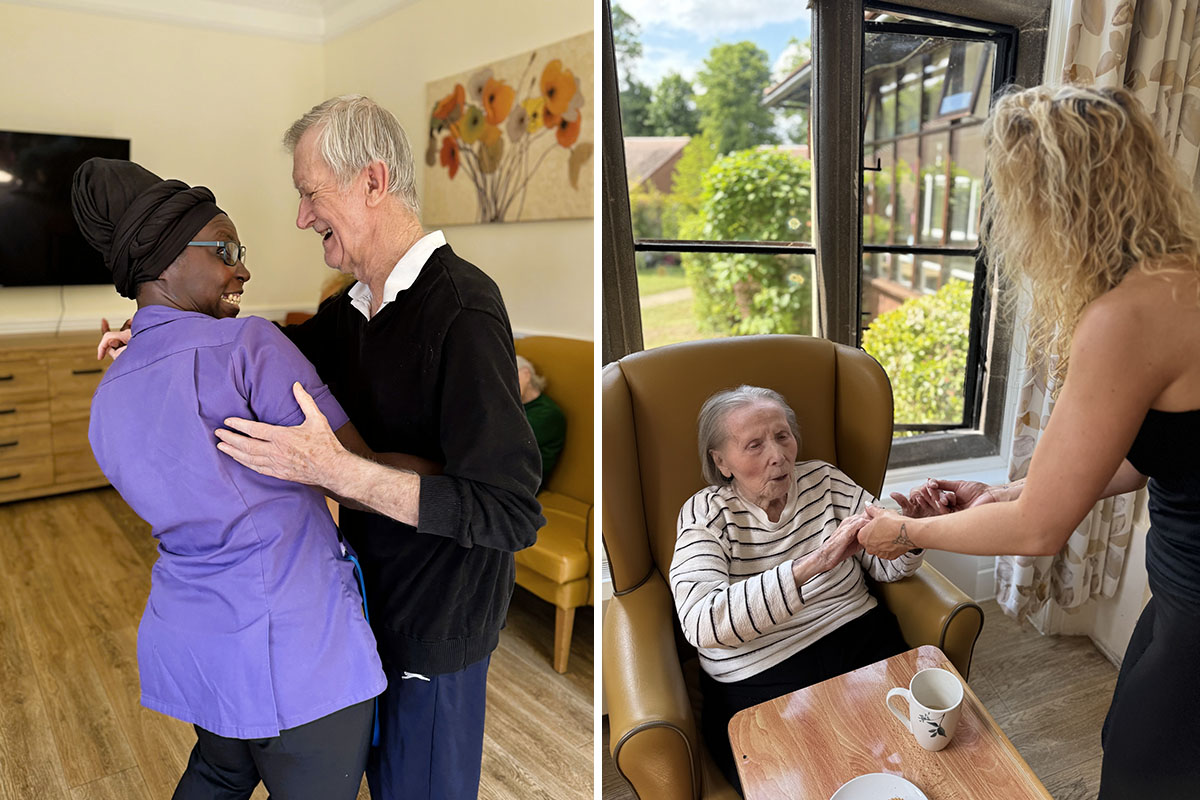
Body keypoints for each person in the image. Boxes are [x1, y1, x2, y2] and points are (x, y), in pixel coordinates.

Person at [857, 84, 1200, 798]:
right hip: (1178, 594)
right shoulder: (1184, 275)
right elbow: (1155, 454)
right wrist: (1008, 489)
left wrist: (906, 529)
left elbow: (1041, 529)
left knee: (1145, 778)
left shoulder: (1128, 314)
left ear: (1052, 200)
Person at [208, 96, 544, 800]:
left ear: (371, 181)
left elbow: (509, 512)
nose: (301, 218)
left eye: (309, 195)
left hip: (437, 626)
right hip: (364, 609)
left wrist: (335, 472)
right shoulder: (353, 311)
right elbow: (263, 356)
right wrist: (156, 338)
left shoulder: (464, 310)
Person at [72, 157, 386, 799]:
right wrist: (459, 477)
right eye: (226, 249)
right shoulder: (249, 347)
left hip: (198, 638)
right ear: (164, 262)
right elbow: (356, 476)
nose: (242, 267)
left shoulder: (110, 392)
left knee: (219, 772)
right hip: (299, 650)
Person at [673, 385, 927, 794]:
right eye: (754, 445)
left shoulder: (825, 480)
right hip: (759, 672)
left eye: (783, 436)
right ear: (721, 461)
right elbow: (702, 621)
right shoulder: (706, 514)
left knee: (920, 764)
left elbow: (886, 567)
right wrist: (815, 563)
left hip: (860, 641)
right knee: (808, 786)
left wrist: (909, 533)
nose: (777, 455)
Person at [516, 353, 566, 489]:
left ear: (526, 374)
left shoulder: (548, 413)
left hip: (523, 485)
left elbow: (506, 443)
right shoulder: (512, 406)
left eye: (511, 376)